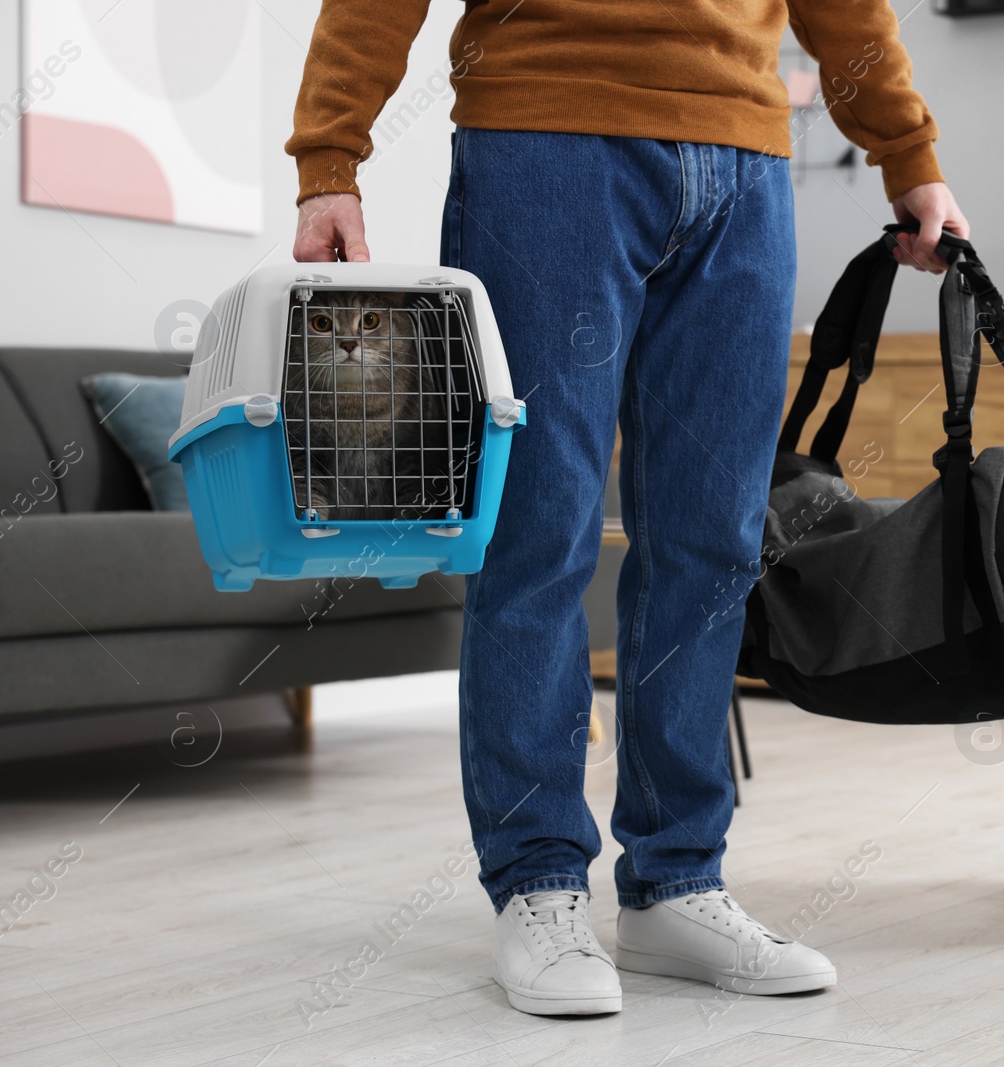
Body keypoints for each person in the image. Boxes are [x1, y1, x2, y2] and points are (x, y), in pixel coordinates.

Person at [288, 0, 968, 1017]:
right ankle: (538, 882)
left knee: (712, 541)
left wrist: (905, 150)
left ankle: (677, 878)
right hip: (544, 140)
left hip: (745, 158)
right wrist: (329, 158)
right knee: (539, 531)